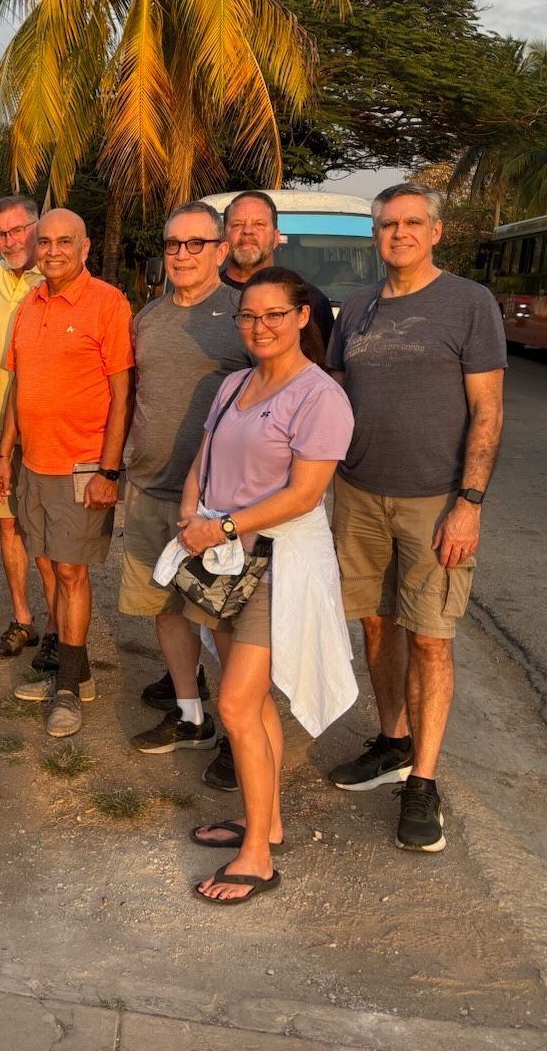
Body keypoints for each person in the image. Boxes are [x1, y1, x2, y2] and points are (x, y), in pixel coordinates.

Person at [326, 182, 507, 853]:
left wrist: (470, 503)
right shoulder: (358, 308)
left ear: (435, 232)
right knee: (377, 624)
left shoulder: (469, 303)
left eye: (411, 223)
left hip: (436, 501)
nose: (398, 233)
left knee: (431, 638)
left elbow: (488, 410)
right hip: (358, 493)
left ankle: (423, 783)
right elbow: (334, 392)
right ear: (375, 235)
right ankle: (392, 742)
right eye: (387, 225)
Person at [176, 266, 357, 904]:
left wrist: (221, 525)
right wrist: (191, 512)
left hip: (279, 566)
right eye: (249, 316)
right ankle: (267, 822)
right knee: (251, 705)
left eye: (274, 315)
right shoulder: (234, 384)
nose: (260, 327)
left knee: (233, 705)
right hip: (225, 563)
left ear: (303, 317)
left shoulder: (320, 397)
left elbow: (305, 495)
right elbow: (204, 458)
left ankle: (257, 856)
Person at [120, 202, 253, 784]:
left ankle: (242, 730)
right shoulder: (147, 316)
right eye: (173, 244)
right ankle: (191, 715)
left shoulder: (243, 316)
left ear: (221, 251)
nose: (182, 254)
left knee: (224, 620)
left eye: (196, 243)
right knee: (166, 609)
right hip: (150, 487)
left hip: (216, 503)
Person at [0, 209, 134, 737]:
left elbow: (122, 394)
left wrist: (109, 471)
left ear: (85, 247)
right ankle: (75, 672)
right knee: (50, 566)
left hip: (82, 465)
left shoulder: (107, 303)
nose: (53, 251)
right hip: (33, 463)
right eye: (45, 241)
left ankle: (69, 689)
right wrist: (5, 455)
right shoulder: (30, 303)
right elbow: (19, 385)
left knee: (72, 573)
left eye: (64, 242)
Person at [0, 196, 60, 668]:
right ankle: (24, 618)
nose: (10, 241)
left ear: (37, 227)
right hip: (0, 425)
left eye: (19, 230)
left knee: (50, 534)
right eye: (0, 234)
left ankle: (60, 627)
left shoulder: (57, 275)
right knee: (9, 525)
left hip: (48, 426)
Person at [220, 191, 335, 349]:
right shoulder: (202, 295)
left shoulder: (310, 300)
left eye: (259, 224)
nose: (247, 231)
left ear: (276, 238)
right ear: (224, 237)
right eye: (237, 225)